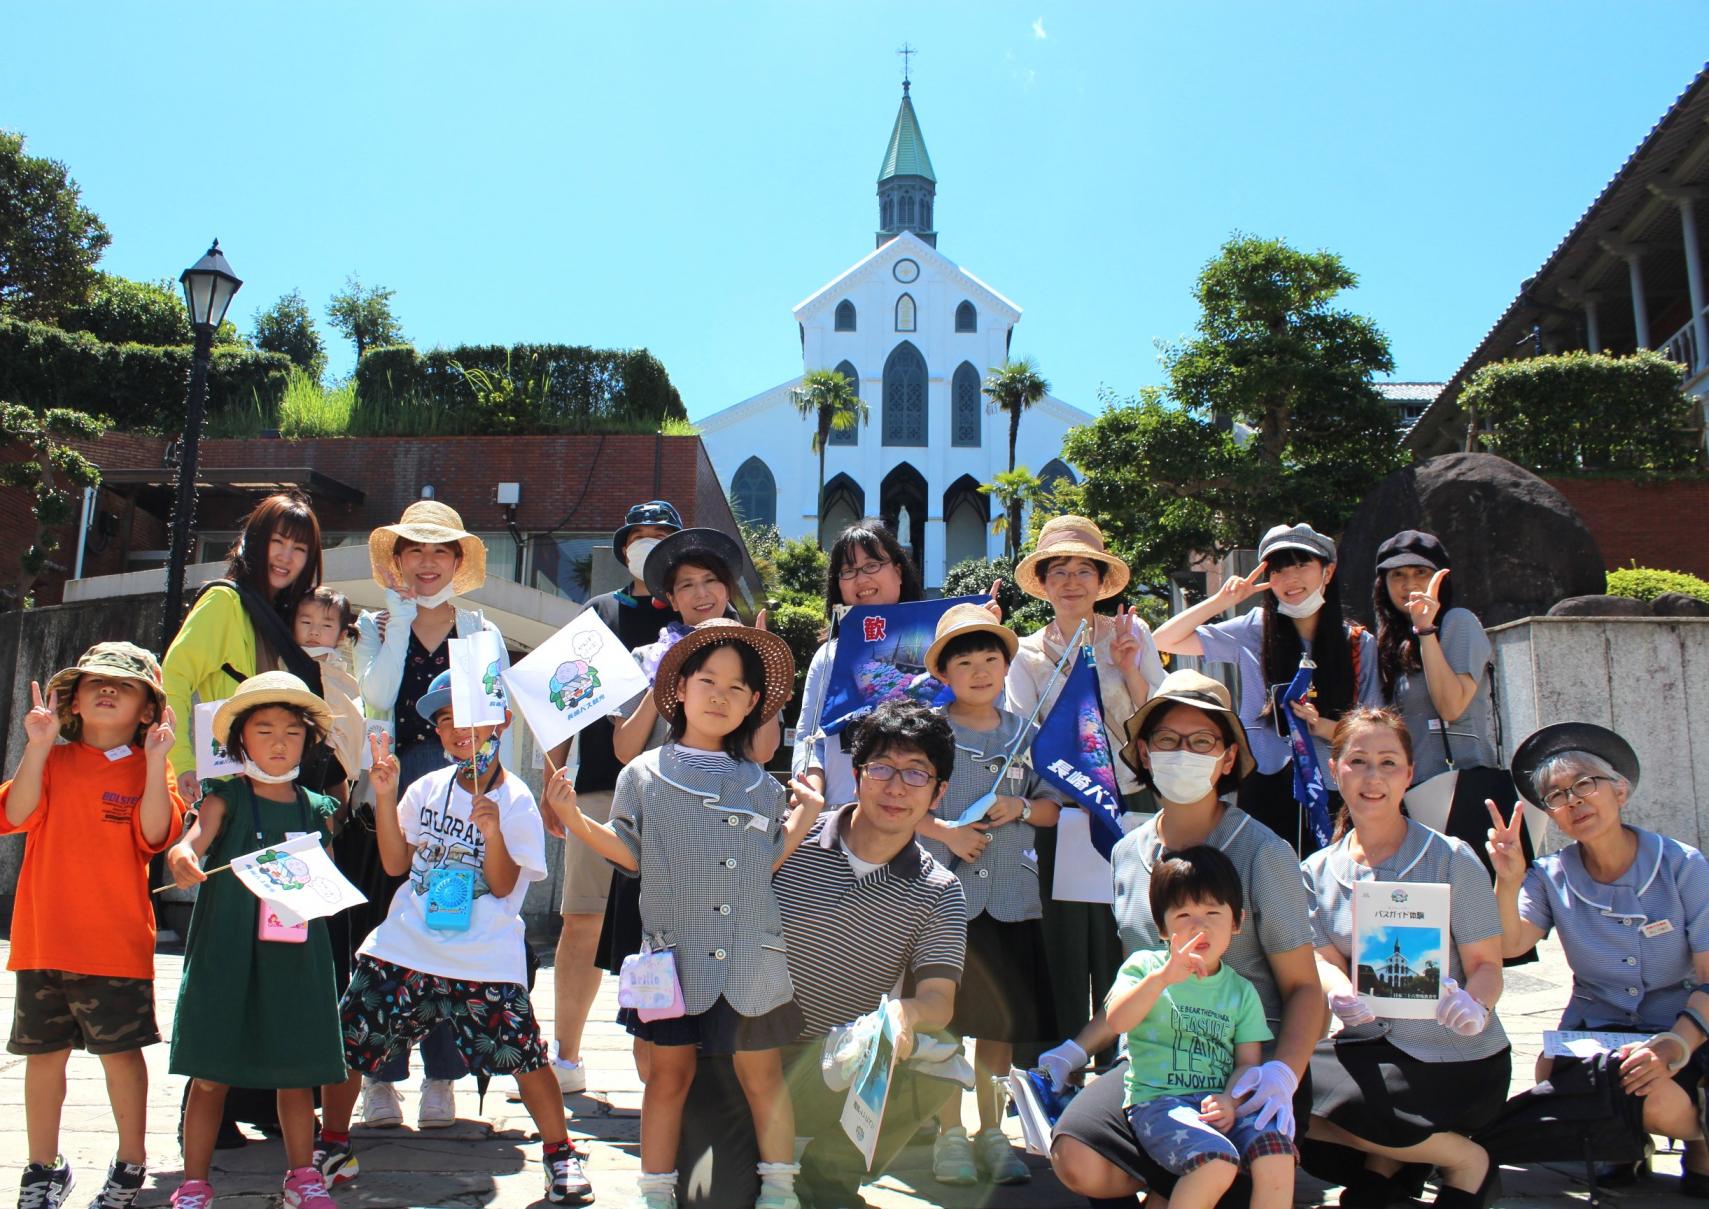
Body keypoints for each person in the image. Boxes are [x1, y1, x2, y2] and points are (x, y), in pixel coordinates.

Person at [545, 619, 821, 1209]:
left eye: (738, 688)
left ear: (753, 705)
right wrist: (573, 820)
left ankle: (779, 1189)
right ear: (679, 690)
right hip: (672, 961)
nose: (721, 695)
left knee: (763, 1078)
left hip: (752, 961)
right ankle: (655, 1192)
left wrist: (804, 817)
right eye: (708, 680)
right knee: (665, 1080)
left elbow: (766, 861)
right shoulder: (642, 774)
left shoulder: (762, 785)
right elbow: (630, 852)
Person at [1048, 671, 1324, 1209]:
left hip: (1245, 1068)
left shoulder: (1264, 853)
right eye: (1168, 741)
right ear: (1145, 754)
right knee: (1076, 1158)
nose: (1184, 753)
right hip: (1152, 1068)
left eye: (1202, 742)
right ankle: (1173, 1178)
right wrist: (1075, 1048)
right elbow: (1140, 977)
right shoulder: (1128, 853)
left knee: (1241, 1168)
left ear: (1226, 759)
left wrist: (1282, 1076)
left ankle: (1185, 1182)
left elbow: (1305, 990)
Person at [317, 671, 593, 1206]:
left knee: (526, 1056)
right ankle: (332, 1144)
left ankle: (560, 1154)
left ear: (503, 724)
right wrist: (387, 792)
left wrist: (491, 832)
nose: (458, 731)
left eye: (470, 720)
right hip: (406, 942)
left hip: (484, 955)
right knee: (349, 1039)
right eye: (446, 721)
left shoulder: (514, 801)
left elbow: (505, 883)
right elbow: (397, 863)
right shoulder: (426, 788)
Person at [1487, 721, 1709, 1193]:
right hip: (1598, 1027)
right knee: (1562, 1074)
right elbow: (1510, 945)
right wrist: (1507, 879)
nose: (1574, 801)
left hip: (1684, 1024)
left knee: (1654, 1092)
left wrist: (1675, 1045)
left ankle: (1699, 1135)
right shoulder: (1550, 875)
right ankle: (1623, 1139)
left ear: (1621, 791)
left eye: (1586, 784)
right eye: (1557, 795)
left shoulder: (1682, 865)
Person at [1302, 708, 1508, 1209]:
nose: (1373, 778)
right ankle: (1396, 1161)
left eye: (1389, 762)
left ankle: (1463, 1161)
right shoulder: (1316, 870)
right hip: (1369, 1042)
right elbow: (1323, 959)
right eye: (1358, 761)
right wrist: (1339, 992)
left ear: (1410, 774)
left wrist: (1475, 1009)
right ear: (1335, 770)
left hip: (1453, 1053)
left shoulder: (1450, 857)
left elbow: (1487, 966)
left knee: (1354, 1106)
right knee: (1280, 1094)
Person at [4, 644, 185, 1209]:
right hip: (41, 940)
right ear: (72, 701)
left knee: (121, 1058)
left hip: (115, 945)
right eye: (95, 683)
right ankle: (42, 1168)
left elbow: (156, 836)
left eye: (125, 686)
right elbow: (14, 816)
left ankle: (130, 1164)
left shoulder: (153, 766)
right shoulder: (51, 759)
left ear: (149, 710)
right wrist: (37, 747)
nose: (108, 691)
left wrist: (156, 764)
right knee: (43, 1058)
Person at [772, 700, 968, 1208]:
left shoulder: (939, 889)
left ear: (939, 791)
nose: (896, 787)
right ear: (856, 774)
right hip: (754, 1054)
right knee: (712, 1194)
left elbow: (939, 1000)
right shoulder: (793, 838)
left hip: (844, 1058)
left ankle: (829, 1175)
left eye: (916, 773)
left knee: (942, 1062)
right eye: (881, 767)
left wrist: (904, 1013)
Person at [164, 673, 347, 1209]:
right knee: (211, 1073)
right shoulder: (226, 795)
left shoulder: (316, 807)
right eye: (264, 728)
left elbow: (327, 880)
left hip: (296, 953)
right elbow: (193, 838)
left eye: (292, 731)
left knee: (297, 1075)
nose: (278, 741)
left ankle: (302, 1177)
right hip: (227, 948)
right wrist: (182, 857)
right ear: (240, 738)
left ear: (306, 742)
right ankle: (194, 1182)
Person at [350, 500, 503, 1127]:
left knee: (452, 919)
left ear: (458, 560)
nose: (428, 562)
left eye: (441, 550)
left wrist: (492, 792)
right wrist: (401, 621)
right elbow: (379, 696)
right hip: (392, 782)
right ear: (398, 561)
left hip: (460, 784)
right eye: (415, 550)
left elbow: (492, 720)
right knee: (390, 930)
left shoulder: (481, 631)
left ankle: (443, 1074)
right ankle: (378, 1077)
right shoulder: (374, 624)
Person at [1007, 514, 1166, 1069]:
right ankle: (1064, 1065)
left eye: (1083, 570)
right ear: (1044, 583)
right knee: (1067, 941)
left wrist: (1128, 669)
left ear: (1101, 581)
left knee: (1129, 933)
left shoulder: (1131, 634)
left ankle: (1130, 1063)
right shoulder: (1024, 654)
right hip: (1065, 810)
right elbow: (1022, 733)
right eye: (1059, 571)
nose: (1071, 582)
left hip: (1131, 803)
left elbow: (1160, 718)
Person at [913, 604, 1063, 1187]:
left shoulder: (1027, 732)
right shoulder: (925, 731)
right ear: (944, 674)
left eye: (990, 660)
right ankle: (949, 1135)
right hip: (939, 901)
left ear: (1006, 666)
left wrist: (1020, 808)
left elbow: (1055, 808)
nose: (979, 671)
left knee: (999, 1026)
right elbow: (894, 804)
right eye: (965, 662)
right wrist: (945, 831)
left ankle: (992, 1132)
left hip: (1011, 896)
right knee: (940, 1023)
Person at [546, 498, 682, 1095]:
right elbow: (562, 699)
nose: (648, 547)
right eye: (639, 537)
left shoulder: (699, 607)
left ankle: (660, 1059)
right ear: (624, 546)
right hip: (603, 786)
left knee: (667, 929)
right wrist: (556, 780)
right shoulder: (599, 613)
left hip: (683, 793)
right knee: (583, 919)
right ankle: (566, 1056)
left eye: (662, 537)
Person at [1153, 522, 1378, 856]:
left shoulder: (1358, 643)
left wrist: (1319, 726)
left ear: (1327, 572)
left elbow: (1375, 730)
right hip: (1264, 779)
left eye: (1302, 565)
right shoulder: (1254, 628)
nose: (1291, 579)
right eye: (1279, 569)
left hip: (1335, 785)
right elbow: (1162, 639)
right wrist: (1221, 601)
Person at [1105, 846, 1295, 1209]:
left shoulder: (1241, 991)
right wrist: (1163, 979)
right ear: (1162, 927)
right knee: (1215, 1162)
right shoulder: (1145, 966)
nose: (1199, 925)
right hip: (1158, 1103)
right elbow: (1118, 1020)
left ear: (1236, 921)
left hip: (1220, 1103)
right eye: (1184, 915)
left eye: (1212, 912)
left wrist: (1231, 1100)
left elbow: (1247, 1063)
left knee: (1277, 1152)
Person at [794, 519, 999, 810]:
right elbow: (809, 738)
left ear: (898, 572)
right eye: (848, 571)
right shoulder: (829, 656)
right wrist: (812, 787)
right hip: (841, 815)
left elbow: (979, 716)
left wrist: (981, 639)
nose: (861, 579)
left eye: (872, 565)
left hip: (926, 823)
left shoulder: (944, 650)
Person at [161, 492, 324, 805]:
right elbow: (173, 678)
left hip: (286, 790)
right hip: (232, 792)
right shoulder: (225, 602)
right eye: (278, 541)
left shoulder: (295, 617)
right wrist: (181, 763)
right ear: (256, 540)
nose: (286, 557)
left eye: (299, 549)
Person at [1369, 530, 1516, 854]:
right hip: (1407, 795)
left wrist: (1426, 631)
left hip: (1460, 790)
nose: (1409, 584)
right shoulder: (1388, 639)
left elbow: (1452, 706)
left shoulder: (1457, 623)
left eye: (1421, 573)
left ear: (1441, 579)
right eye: (1398, 575)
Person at [292, 587, 366, 790]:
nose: (314, 631)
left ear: (341, 635)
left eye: (326, 625)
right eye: (306, 622)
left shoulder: (338, 673)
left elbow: (351, 717)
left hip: (332, 759)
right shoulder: (284, 661)